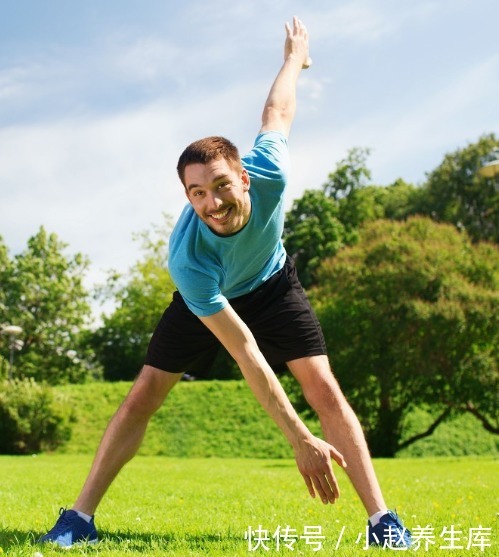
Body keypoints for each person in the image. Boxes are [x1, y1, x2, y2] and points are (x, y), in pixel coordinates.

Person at [39, 17, 411, 549]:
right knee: (144, 393)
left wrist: (293, 60)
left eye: (220, 185)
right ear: (187, 197)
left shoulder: (272, 172)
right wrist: (298, 437)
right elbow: (247, 354)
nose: (211, 202)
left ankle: (383, 522)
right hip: (212, 301)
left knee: (324, 387)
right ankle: (79, 517)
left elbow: (277, 111)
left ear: (244, 178)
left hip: (274, 284)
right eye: (196, 193)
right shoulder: (188, 259)